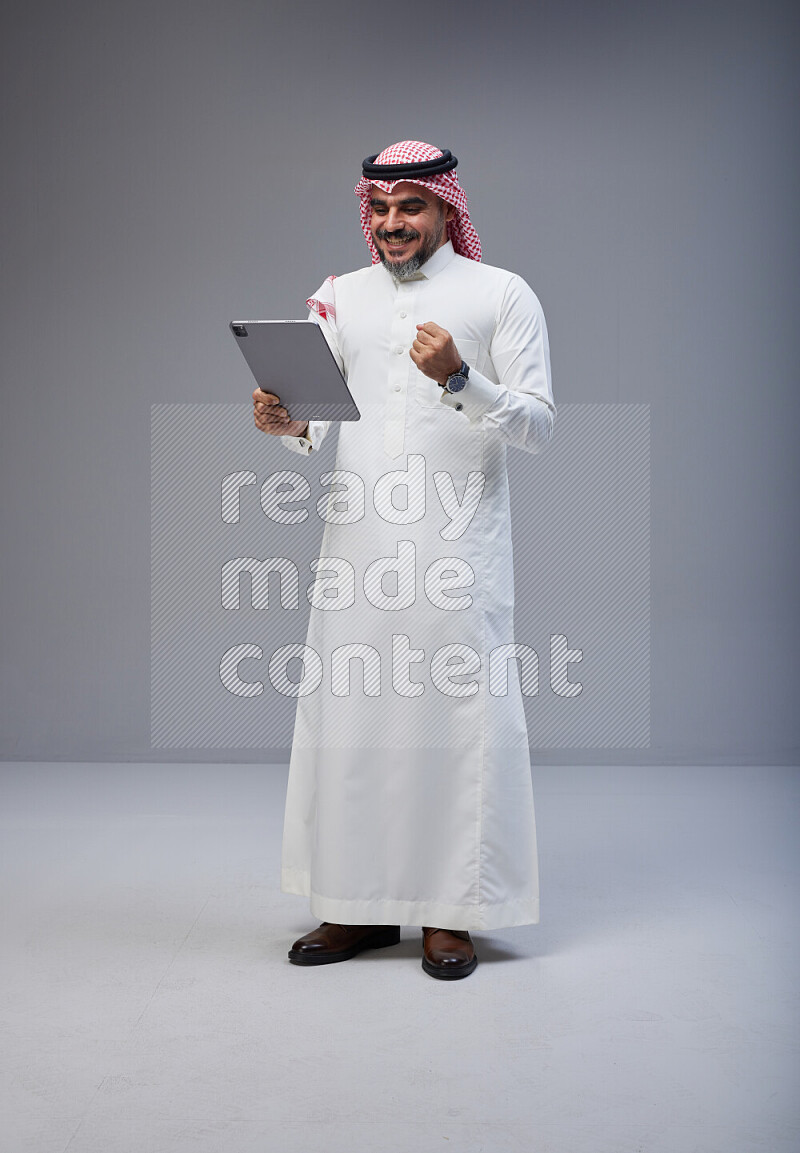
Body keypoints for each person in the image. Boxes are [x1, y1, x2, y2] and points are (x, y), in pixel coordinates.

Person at [252, 140, 555, 980]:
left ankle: (450, 913)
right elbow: (318, 419)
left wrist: (461, 377)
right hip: (356, 546)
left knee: (456, 725)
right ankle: (353, 905)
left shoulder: (500, 294)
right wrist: (289, 424)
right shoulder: (340, 296)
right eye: (379, 208)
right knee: (352, 725)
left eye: (410, 206)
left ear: (446, 208)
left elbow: (537, 426)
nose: (392, 223)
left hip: (457, 552)